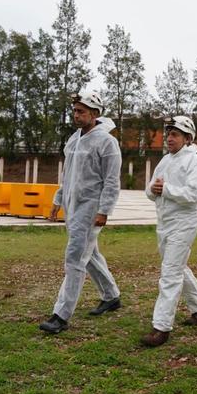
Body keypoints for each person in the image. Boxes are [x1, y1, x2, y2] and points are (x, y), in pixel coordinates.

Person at [39, 91, 123, 334]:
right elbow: (68, 174)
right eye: (75, 111)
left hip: (90, 209)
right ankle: (111, 296)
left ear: (95, 114)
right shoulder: (74, 139)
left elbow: (111, 181)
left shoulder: (107, 142)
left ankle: (60, 315)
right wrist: (58, 199)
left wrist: (104, 210)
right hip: (72, 207)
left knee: (75, 257)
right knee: (90, 254)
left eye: (81, 111)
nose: (76, 115)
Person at [141, 116, 197, 347]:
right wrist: (154, 189)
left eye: (175, 134)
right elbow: (151, 192)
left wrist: (166, 189)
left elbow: (193, 195)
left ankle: (161, 327)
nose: (169, 138)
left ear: (188, 138)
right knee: (177, 267)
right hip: (164, 224)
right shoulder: (165, 160)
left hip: (184, 223)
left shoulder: (196, 163)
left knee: (170, 273)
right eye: (168, 134)